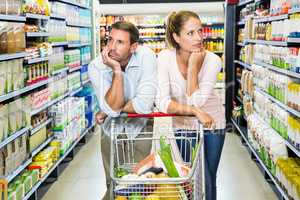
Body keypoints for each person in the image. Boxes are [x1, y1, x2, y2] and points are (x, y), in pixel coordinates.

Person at [156, 11, 226, 200]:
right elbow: (162, 102)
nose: (198, 38)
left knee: (208, 177)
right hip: (182, 125)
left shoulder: (213, 60)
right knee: (188, 175)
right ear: (176, 37)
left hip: (213, 124)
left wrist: (193, 67)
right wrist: (194, 111)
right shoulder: (164, 58)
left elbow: (198, 101)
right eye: (190, 33)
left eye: (200, 31)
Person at [88, 21, 157, 200]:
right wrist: (116, 69)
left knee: (139, 184)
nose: (112, 47)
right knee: (114, 184)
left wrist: (109, 109)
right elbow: (112, 108)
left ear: (133, 47)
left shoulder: (146, 56)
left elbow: (143, 105)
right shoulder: (96, 66)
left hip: (142, 128)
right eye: (110, 40)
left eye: (120, 42)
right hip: (110, 132)